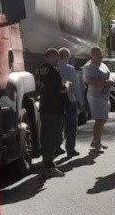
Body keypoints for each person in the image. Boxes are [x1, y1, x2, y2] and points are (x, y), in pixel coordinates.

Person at [34, 48, 68, 178]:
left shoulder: (38, 70)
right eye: (57, 56)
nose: (58, 59)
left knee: (45, 136)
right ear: (52, 56)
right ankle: (49, 166)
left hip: (44, 106)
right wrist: (68, 87)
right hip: (54, 108)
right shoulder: (53, 71)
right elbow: (61, 89)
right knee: (52, 137)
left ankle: (45, 164)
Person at [83, 47, 113, 151]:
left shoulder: (102, 64)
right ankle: (96, 142)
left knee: (103, 119)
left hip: (104, 95)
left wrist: (110, 81)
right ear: (91, 55)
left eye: (100, 53)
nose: (99, 55)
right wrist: (105, 83)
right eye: (97, 54)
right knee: (99, 120)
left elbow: (107, 75)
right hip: (95, 96)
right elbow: (89, 81)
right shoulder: (89, 66)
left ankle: (97, 141)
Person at [57, 48, 81, 158]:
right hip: (70, 100)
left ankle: (57, 147)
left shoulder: (53, 67)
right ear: (67, 56)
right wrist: (80, 100)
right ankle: (70, 148)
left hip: (56, 102)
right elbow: (75, 85)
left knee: (58, 125)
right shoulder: (70, 68)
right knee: (71, 126)